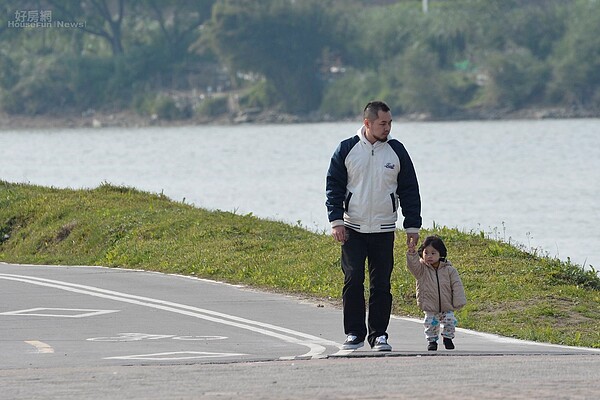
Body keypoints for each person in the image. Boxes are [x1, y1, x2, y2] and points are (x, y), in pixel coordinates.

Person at [326, 100, 422, 351]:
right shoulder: (346, 149)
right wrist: (336, 221)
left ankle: (379, 335)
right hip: (352, 228)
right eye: (383, 123)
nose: (388, 128)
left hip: (383, 228)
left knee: (381, 284)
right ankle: (354, 334)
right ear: (367, 123)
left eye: (390, 123)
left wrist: (412, 226)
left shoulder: (397, 151)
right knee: (353, 279)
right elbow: (333, 187)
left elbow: (410, 190)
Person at [406, 235, 467, 351]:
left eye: (433, 253)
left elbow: (457, 286)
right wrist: (411, 252)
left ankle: (448, 338)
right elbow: (412, 265)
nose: (429, 256)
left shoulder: (449, 270)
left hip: (446, 305)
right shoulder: (421, 270)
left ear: (440, 254)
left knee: (450, 321)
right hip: (430, 305)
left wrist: (459, 301)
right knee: (431, 324)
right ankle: (432, 341)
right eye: (426, 253)